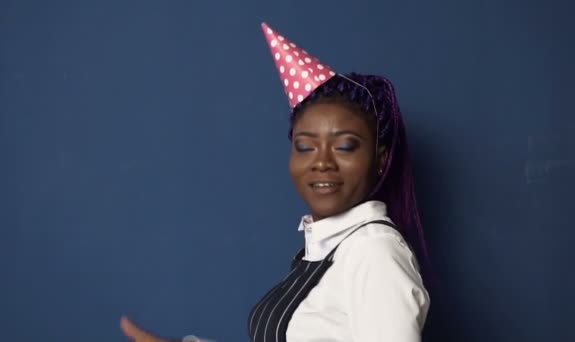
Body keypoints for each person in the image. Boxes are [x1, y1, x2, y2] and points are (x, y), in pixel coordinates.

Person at [120, 22, 430, 342]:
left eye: (345, 146)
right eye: (306, 147)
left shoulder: (373, 251)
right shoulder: (328, 248)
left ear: (380, 160)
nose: (322, 162)